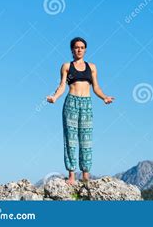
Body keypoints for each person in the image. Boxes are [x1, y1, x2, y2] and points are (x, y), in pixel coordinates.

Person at [46, 37, 115, 185]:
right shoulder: (66, 66)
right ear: (72, 50)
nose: (79, 49)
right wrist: (55, 97)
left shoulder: (92, 67)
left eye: (82, 47)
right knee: (70, 140)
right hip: (71, 103)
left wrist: (104, 97)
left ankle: (85, 175)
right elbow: (62, 86)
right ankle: (71, 175)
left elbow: (96, 87)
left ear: (85, 49)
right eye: (76, 47)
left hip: (87, 104)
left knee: (86, 140)